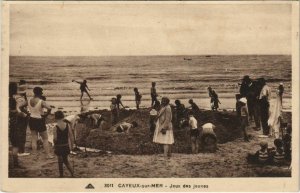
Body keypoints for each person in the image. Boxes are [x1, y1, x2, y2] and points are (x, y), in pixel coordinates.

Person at [28, 87, 54, 159]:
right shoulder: (41, 101)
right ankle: (48, 154)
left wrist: (26, 113)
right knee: (45, 138)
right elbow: (49, 108)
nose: (42, 93)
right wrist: (46, 115)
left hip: (31, 119)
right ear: (39, 93)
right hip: (39, 119)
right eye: (41, 92)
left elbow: (20, 107)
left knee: (34, 138)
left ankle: (35, 155)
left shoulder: (29, 100)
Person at [9, 82, 26, 168]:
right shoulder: (13, 100)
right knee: (15, 145)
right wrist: (20, 112)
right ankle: (15, 164)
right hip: (13, 125)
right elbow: (15, 111)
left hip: (10, 124)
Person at [53, 111, 74, 177]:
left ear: (55, 118)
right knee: (66, 161)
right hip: (66, 146)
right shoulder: (67, 125)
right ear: (63, 117)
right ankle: (72, 173)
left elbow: (55, 138)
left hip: (59, 147)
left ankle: (61, 175)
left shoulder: (55, 127)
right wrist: (72, 146)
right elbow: (71, 136)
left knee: (60, 162)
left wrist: (54, 144)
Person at [15, 81, 30, 156]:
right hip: (21, 118)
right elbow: (18, 108)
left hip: (19, 117)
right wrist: (24, 114)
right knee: (22, 133)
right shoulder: (21, 99)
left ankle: (20, 150)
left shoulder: (17, 97)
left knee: (20, 133)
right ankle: (21, 151)